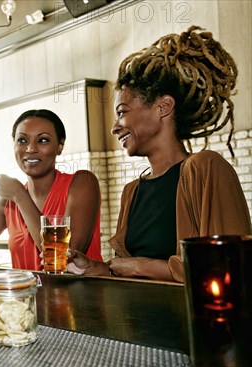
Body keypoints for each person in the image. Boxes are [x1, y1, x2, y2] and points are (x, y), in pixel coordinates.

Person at [68, 26, 252, 281]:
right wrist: (96, 267)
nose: (114, 127)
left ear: (163, 107)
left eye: (122, 112)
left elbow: (232, 265)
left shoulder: (206, 168)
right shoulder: (132, 191)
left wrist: (141, 266)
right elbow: (128, 269)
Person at [0, 109, 103, 271]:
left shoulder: (83, 182)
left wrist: (20, 195)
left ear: (60, 146)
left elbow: (65, 257)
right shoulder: (8, 202)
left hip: (82, 295)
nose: (31, 148)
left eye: (43, 140)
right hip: (29, 295)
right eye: (22, 140)